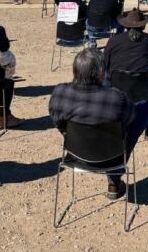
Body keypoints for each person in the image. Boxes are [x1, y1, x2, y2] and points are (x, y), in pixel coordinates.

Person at [49, 48, 137, 200]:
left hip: (75, 155)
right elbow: (130, 119)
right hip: (112, 157)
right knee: (138, 118)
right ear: (101, 73)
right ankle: (114, 178)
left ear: (75, 71)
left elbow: (58, 123)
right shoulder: (117, 98)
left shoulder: (60, 93)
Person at [102, 8, 148, 145]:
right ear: (144, 25)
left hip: (117, 87)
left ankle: (110, 123)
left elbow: (106, 65)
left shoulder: (113, 41)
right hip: (143, 90)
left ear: (125, 25)